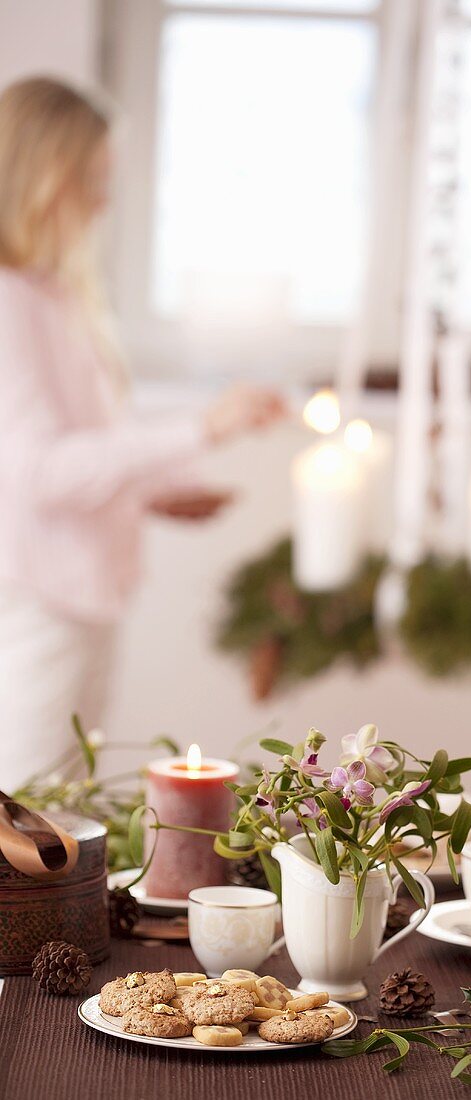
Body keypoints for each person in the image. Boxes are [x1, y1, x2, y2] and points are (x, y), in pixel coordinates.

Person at [0, 77, 286, 791]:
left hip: (83, 594)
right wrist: (204, 427)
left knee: (65, 802)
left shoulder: (50, 295)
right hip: (44, 597)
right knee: (31, 809)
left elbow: (82, 452)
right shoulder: (9, 303)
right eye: (91, 177)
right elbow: (39, 473)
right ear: (40, 176)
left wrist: (151, 491)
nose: (104, 199)